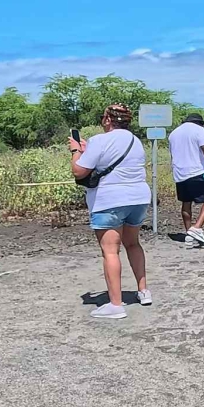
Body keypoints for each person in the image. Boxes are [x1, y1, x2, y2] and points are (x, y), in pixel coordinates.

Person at [70, 103, 152, 319]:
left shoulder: (99, 140)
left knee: (110, 250)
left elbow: (79, 171)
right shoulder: (136, 141)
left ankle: (115, 305)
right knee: (133, 244)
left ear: (107, 119)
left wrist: (76, 151)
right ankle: (143, 291)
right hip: (139, 198)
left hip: (110, 200)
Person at [169, 113, 204, 248]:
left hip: (180, 173)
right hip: (196, 171)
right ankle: (196, 228)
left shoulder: (173, 133)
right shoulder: (200, 131)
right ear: (199, 123)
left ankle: (189, 235)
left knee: (186, 202)